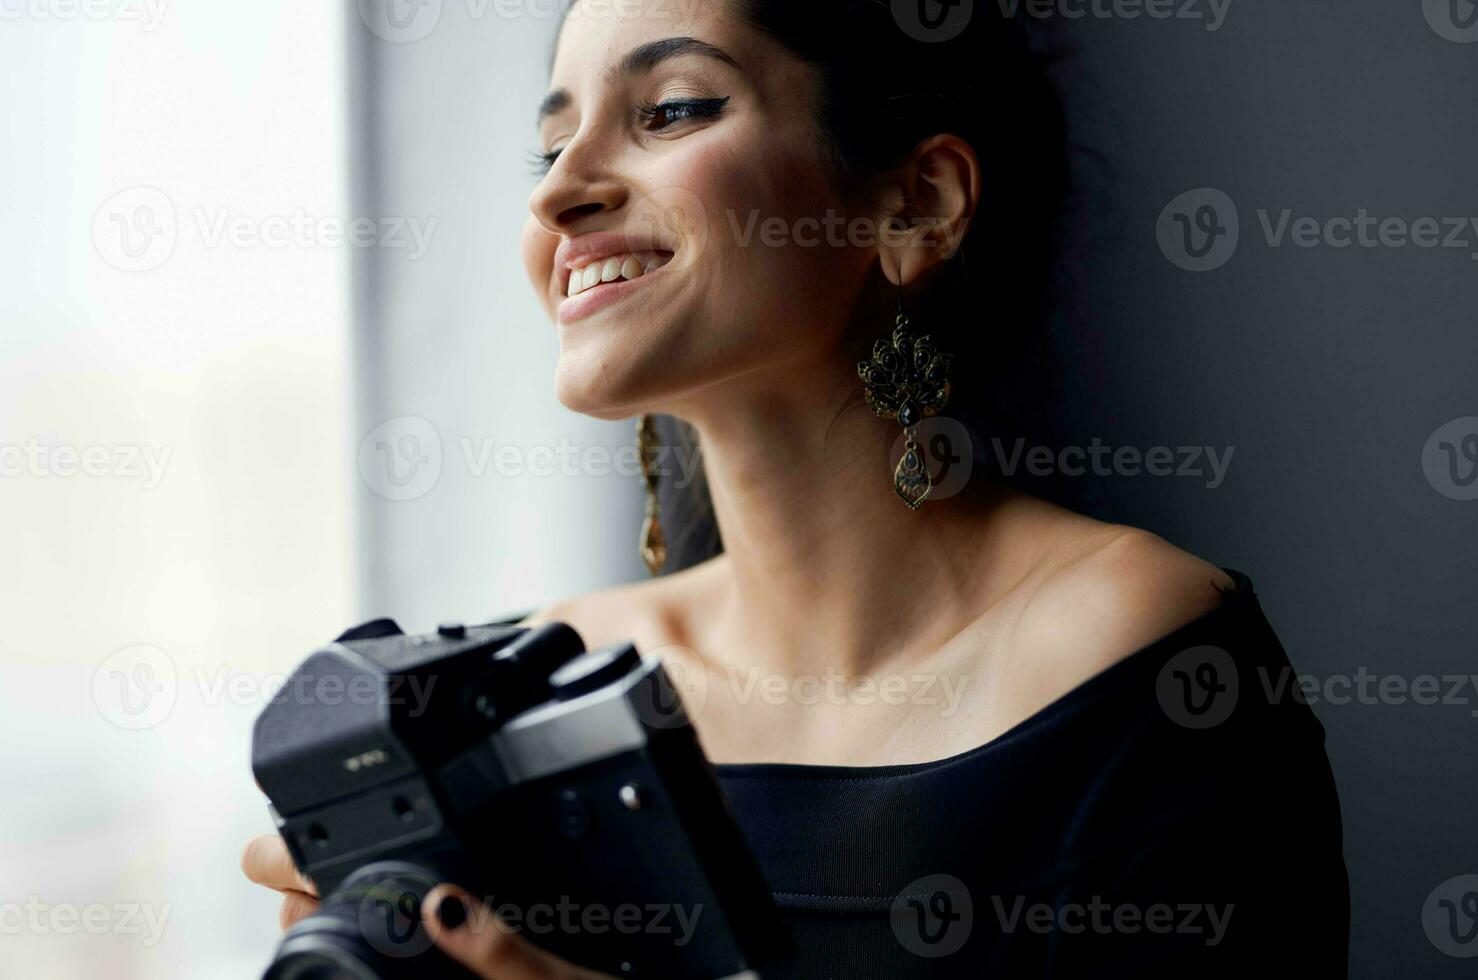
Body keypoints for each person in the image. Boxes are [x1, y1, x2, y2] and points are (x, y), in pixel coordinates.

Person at [243, 2, 1349, 976]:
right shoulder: (534, 693)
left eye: (669, 110)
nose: (561, 195)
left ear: (915, 203)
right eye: (546, 149)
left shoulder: (1141, 657)